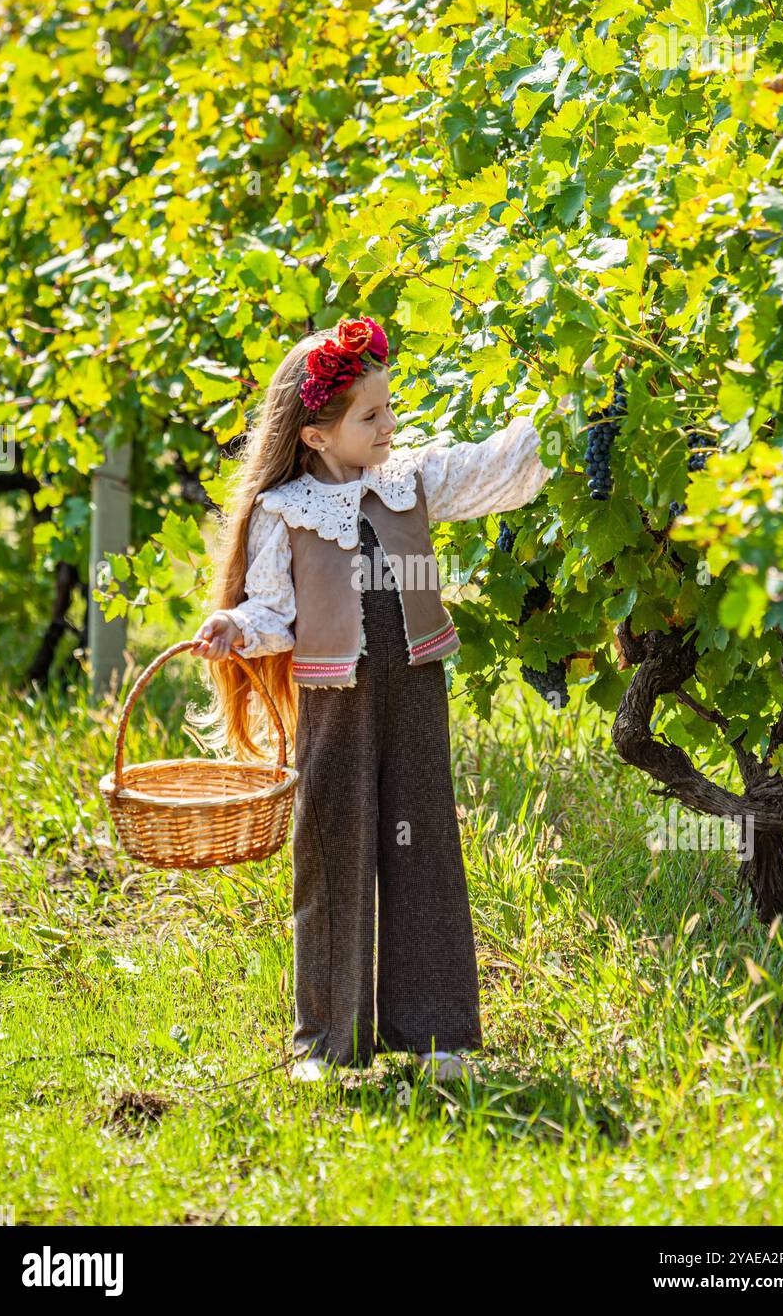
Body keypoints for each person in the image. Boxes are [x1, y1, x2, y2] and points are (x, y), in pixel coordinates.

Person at [191, 315, 550, 1084]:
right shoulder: (284, 513)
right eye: (371, 416)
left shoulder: (410, 480)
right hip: (336, 703)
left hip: (416, 692)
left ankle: (436, 1036)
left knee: (424, 852)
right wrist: (233, 627)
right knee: (334, 856)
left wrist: (565, 418)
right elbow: (272, 613)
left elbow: (495, 465)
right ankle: (327, 1041)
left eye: (391, 408)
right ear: (317, 436)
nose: (391, 426)